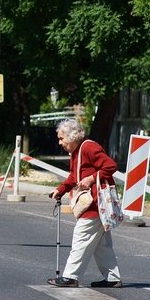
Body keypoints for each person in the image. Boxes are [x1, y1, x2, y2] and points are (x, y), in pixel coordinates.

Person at [49, 119, 122, 288]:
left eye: (62, 138)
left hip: (96, 203)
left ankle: (70, 276)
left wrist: (90, 178)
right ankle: (112, 278)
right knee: (101, 245)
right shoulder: (77, 152)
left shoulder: (89, 147)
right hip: (94, 203)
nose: (60, 143)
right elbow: (74, 176)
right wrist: (60, 189)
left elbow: (110, 166)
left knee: (81, 237)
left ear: (72, 136)